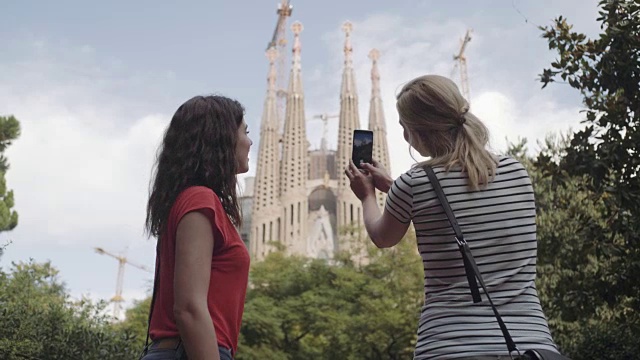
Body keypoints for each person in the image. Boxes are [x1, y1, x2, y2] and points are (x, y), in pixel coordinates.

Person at [344, 75, 560, 359]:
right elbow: (468, 200)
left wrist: (368, 196)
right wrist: (394, 186)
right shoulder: (516, 172)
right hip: (530, 344)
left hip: (449, 345)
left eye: (404, 128)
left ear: (418, 133)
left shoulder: (413, 184)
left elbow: (382, 236)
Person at [142, 95, 253, 360]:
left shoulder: (196, 201)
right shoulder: (200, 200)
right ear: (222, 139)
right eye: (245, 132)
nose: (250, 142)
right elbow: (189, 307)